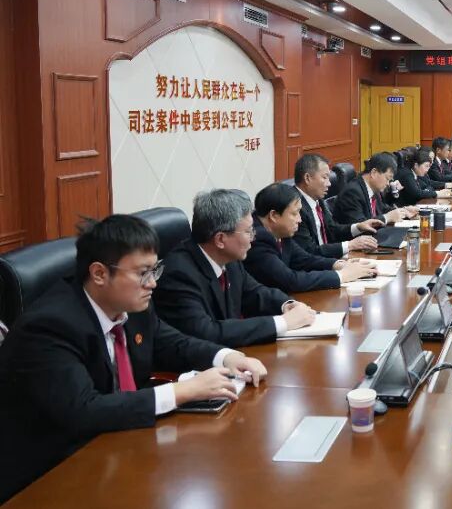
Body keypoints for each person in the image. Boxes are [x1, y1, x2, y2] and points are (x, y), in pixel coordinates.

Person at [0, 214, 269, 503]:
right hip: (49, 473)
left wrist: (226, 357)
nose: (152, 283)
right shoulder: (50, 327)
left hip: (117, 446)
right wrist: (182, 391)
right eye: (143, 273)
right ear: (99, 274)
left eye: (155, 270)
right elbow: (84, 410)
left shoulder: (131, 304)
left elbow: (171, 343)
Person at [156, 190, 318, 348]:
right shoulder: (178, 274)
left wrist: (287, 305)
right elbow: (207, 332)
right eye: (248, 231)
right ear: (220, 239)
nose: (253, 237)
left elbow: (254, 292)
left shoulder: (228, 257)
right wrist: (283, 322)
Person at [244, 183, 377, 292]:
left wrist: (339, 264)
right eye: (295, 213)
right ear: (274, 216)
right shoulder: (256, 239)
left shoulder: (280, 231)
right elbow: (290, 280)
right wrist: (342, 275)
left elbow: (304, 259)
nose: (299, 219)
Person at [291, 154, 379, 258]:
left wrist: (358, 227)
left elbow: (332, 229)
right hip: (315, 263)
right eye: (324, 177)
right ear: (307, 178)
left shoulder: (317, 199)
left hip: (329, 259)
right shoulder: (294, 207)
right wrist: (350, 245)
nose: (329, 183)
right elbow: (309, 251)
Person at [333, 152, 415, 227]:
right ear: (374, 173)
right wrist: (387, 217)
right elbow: (361, 226)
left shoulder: (373, 188)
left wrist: (403, 211)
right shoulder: (352, 192)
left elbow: (383, 209)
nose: (388, 184)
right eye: (387, 178)